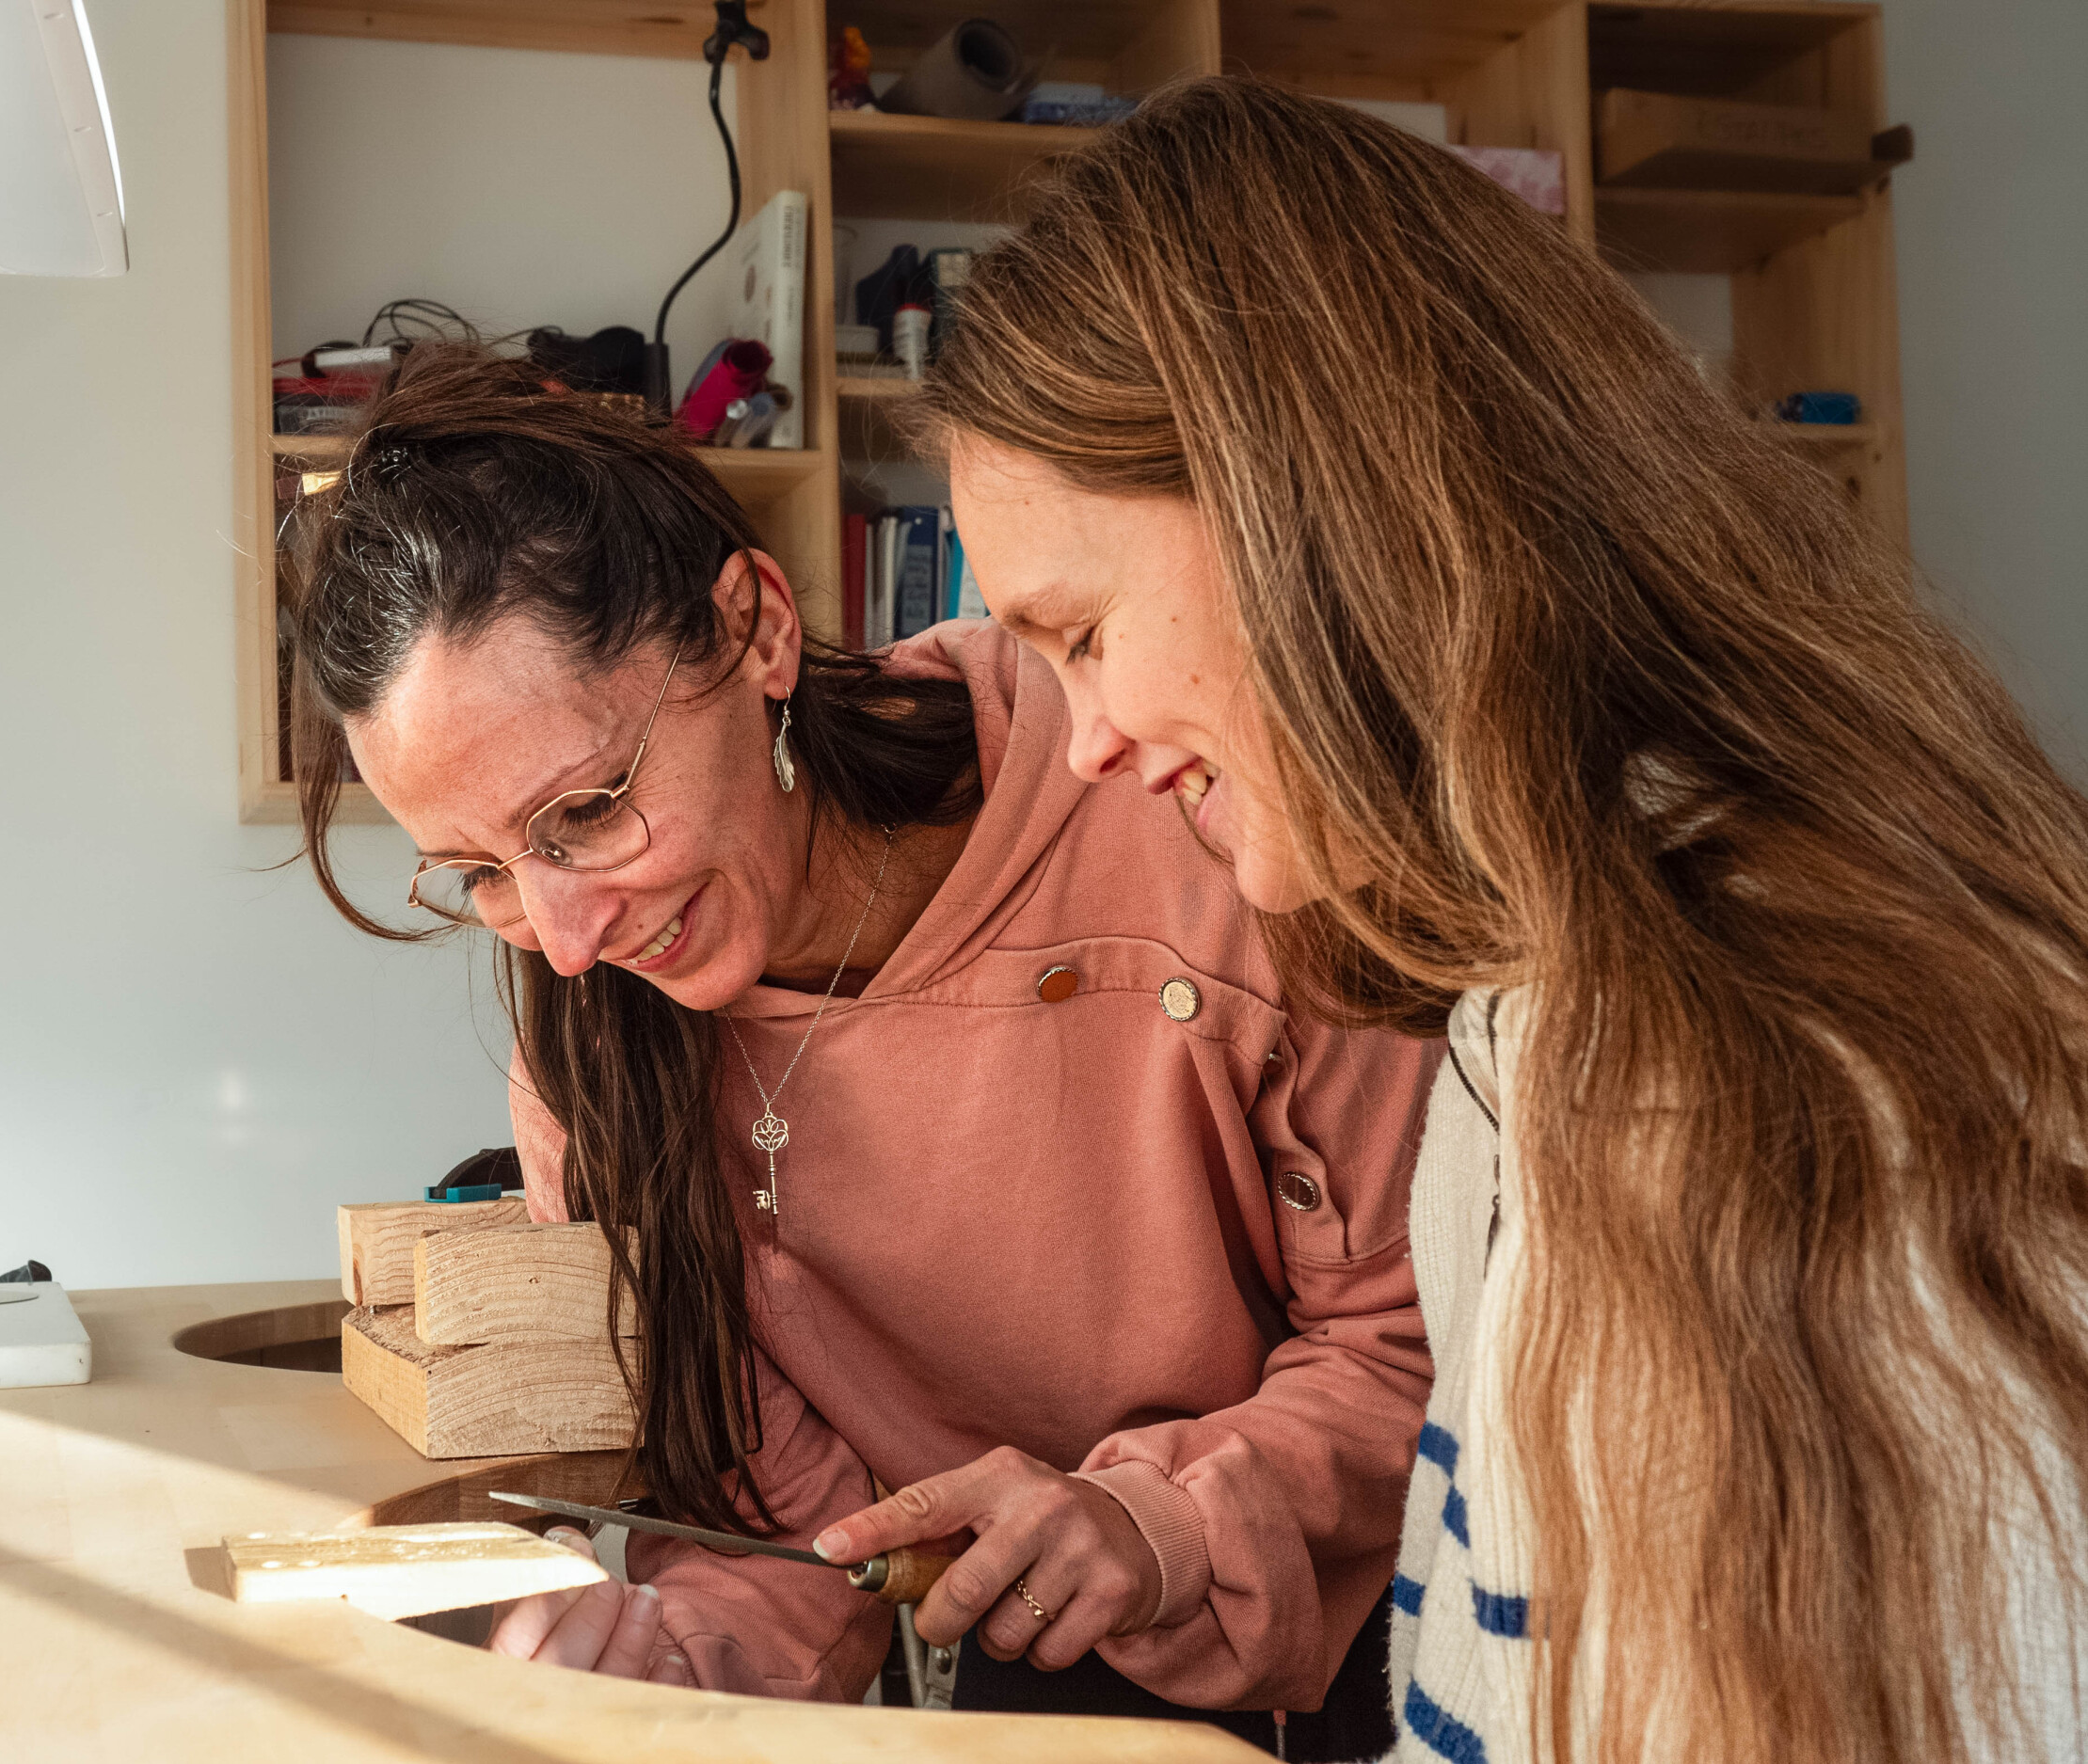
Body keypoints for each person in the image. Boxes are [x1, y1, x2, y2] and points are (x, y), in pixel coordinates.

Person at [854, 72, 2088, 1764]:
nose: (1088, 746)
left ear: (1315, 511)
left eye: (1078, 633)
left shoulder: (1739, 1062)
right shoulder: (1529, 1008)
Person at [285, 343, 1442, 1755]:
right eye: (479, 874)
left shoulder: (1184, 792)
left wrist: (1153, 1521)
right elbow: (789, 1543)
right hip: (1043, 1670)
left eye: (586, 811)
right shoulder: (597, 1064)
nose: (566, 936)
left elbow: (1414, 1350)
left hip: (1407, 1643)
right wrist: (661, 1659)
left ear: (755, 627)